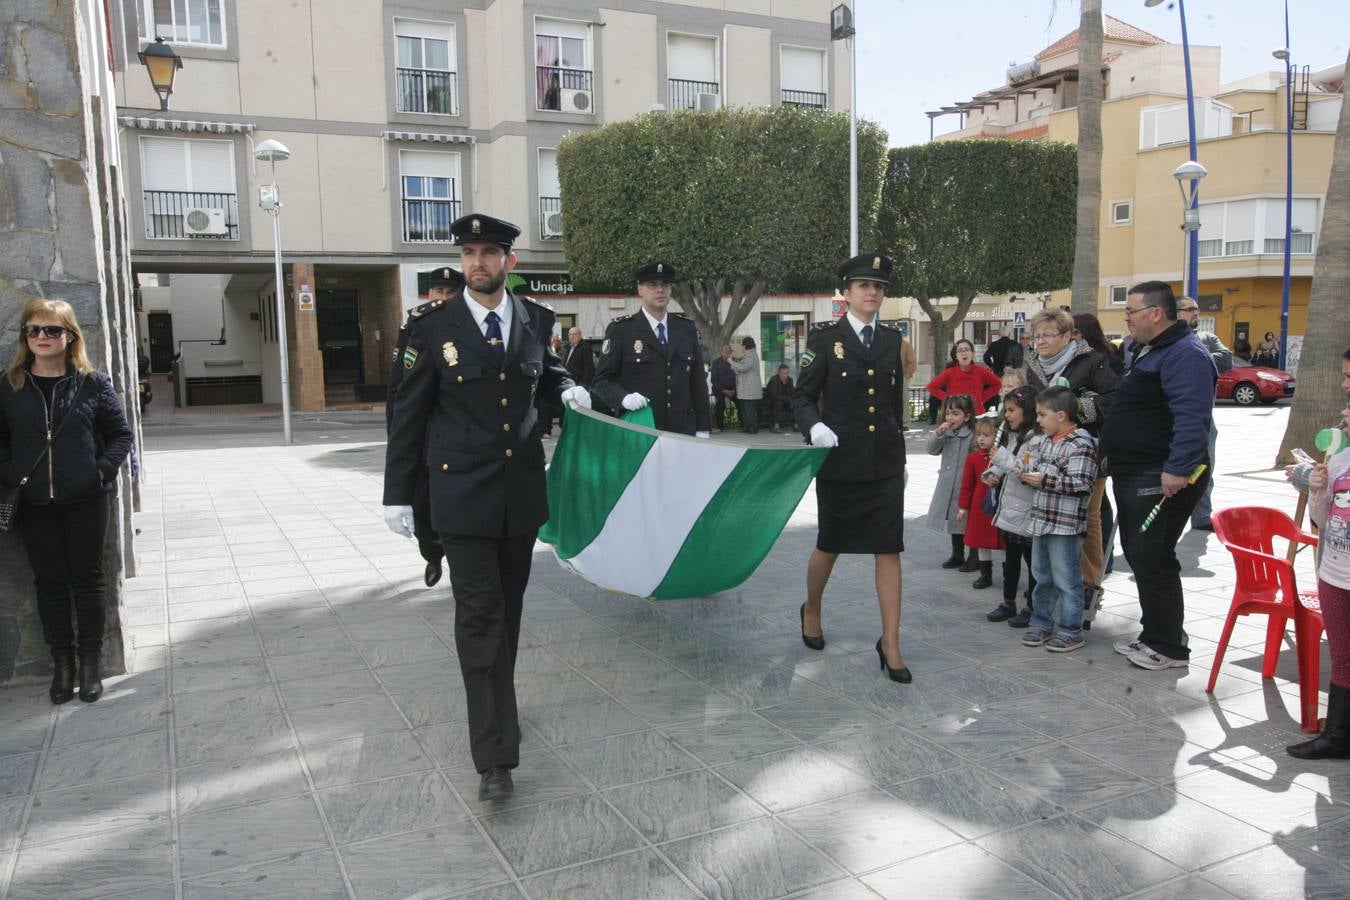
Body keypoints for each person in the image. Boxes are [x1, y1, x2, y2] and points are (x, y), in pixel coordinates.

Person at [382, 213, 589, 801]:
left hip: (519, 496)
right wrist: (398, 492)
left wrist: (564, 385)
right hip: (461, 497)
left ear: (509, 262)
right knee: (480, 618)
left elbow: (540, 372)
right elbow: (408, 413)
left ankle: (503, 708)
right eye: (470, 252)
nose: (478, 262)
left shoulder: (533, 319)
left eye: (490, 252)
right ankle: (493, 757)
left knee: (510, 613)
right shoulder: (431, 326)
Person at [1, 298, 134, 705]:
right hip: (35, 505)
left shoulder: (92, 383)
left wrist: (97, 473)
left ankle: (91, 664)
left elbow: (120, 436)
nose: (42, 337)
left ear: (70, 336)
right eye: (34, 330)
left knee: (89, 581)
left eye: (52, 330)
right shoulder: (10, 385)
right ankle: (63, 666)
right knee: (51, 585)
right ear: (26, 337)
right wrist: (12, 476)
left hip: (85, 501)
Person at [792, 252, 911, 683]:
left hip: (883, 462)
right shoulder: (825, 339)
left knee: (888, 548)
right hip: (841, 460)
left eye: (878, 286)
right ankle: (813, 607)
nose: (872, 292)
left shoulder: (893, 340)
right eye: (864, 285)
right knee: (830, 544)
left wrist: (900, 454)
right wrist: (815, 427)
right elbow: (802, 398)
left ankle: (891, 642)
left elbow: (894, 406)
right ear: (846, 292)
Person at [1100, 281, 1215, 671]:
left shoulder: (1186, 355)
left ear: (1155, 313)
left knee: (1153, 556)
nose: (1126, 319)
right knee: (1140, 553)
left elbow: (1191, 417)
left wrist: (1177, 469)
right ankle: (1154, 635)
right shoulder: (1148, 349)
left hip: (1158, 473)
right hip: (1135, 470)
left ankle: (1169, 647)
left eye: (1131, 312)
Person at [1023, 308, 1118, 621]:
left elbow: (1114, 398)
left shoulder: (1091, 361)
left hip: (1084, 450)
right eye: (1037, 335)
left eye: (1048, 335)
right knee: (1047, 511)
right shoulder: (1033, 364)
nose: (1041, 341)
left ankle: (1089, 582)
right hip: (1046, 450)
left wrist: (1074, 407)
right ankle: (1045, 587)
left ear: (1067, 336)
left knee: (1088, 515)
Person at [1284, 349, 1350, 760]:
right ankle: (1338, 736)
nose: (1345, 385)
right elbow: (1323, 518)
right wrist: (1320, 486)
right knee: (1342, 654)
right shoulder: (1340, 452)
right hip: (1335, 571)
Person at [387, 267, 464, 588]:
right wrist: (396, 432)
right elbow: (398, 386)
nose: (443, 298)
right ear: (429, 294)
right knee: (423, 503)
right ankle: (432, 554)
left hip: (456, 433)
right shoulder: (416, 326)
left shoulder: (467, 327)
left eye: (450, 293)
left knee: (460, 502)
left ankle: (460, 562)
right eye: (438, 292)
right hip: (423, 432)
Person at [1017, 387, 1099, 653]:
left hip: (1065, 525)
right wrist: (1024, 474)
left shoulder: (1080, 443)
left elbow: (1081, 484)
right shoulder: (1043, 440)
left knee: (1066, 579)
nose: (1037, 420)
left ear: (1061, 415)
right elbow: (1034, 468)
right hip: (1041, 519)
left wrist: (1045, 479)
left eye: (1042, 414)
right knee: (1042, 576)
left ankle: (1070, 629)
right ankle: (1041, 623)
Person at [593, 262, 710, 437]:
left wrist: (702, 427)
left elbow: (698, 383)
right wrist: (623, 398)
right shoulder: (621, 330)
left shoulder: (685, 328)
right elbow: (602, 381)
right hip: (640, 430)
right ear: (640, 289)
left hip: (682, 431)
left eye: (665, 285)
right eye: (652, 285)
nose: (660, 290)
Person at [1176, 297, 1233, 531]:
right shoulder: (1165, 342)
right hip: (1173, 416)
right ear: (1176, 312)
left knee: (1205, 470)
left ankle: (1202, 516)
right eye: (1190, 310)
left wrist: (1194, 359)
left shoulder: (1207, 339)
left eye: (1197, 309)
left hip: (1204, 418)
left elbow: (1227, 359)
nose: (1196, 313)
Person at [986, 386, 1040, 623]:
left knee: (1032, 562)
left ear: (1026, 411)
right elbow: (1005, 463)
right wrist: (992, 473)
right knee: (1011, 560)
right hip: (1010, 510)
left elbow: (1025, 471)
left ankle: (1033, 606)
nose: (1006, 415)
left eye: (1011, 410)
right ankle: (1008, 601)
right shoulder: (1016, 436)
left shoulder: (1036, 440)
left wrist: (1001, 459)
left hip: (1026, 512)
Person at [926, 394, 976, 570]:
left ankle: (974, 556)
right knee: (955, 520)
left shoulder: (972, 436)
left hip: (965, 484)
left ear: (967, 416)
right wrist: (938, 433)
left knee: (967, 520)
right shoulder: (945, 433)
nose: (950, 418)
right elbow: (931, 450)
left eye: (955, 414)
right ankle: (957, 554)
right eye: (948, 413)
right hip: (948, 483)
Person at [957, 415, 1004, 589]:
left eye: (987, 435)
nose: (982, 439)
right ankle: (986, 574)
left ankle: (1009, 574)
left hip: (998, 504)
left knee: (1004, 541)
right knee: (982, 541)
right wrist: (963, 507)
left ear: (996, 436)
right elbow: (966, 485)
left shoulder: (1002, 457)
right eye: (979, 435)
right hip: (979, 507)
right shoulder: (972, 458)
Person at [927, 339, 1001, 413]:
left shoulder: (981, 371)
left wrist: (982, 398)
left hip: (976, 414)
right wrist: (948, 399)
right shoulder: (949, 373)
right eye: (960, 351)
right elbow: (931, 386)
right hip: (956, 414)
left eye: (967, 350)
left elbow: (998, 384)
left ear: (972, 353)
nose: (964, 353)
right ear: (956, 356)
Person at [731, 337, 763, 434]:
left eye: (742, 345)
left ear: (745, 346)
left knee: (750, 409)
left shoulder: (750, 356)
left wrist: (731, 362)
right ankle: (746, 426)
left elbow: (744, 367)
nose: (741, 347)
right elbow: (739, 368)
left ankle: (753, 428)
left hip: (749, 388)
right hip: (746, 388)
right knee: (745, 408)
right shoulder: (748, 355)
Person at [709, 345, 736, 433]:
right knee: (720, 403)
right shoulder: (716, 363)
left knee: (741, 400)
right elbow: (714, 380)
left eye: (729, 351)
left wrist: (734, 390)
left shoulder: (734, 362)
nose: (727, 353)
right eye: (726, 351)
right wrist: (723, 390)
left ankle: (745, 424)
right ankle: (719, 426)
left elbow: (738, 378)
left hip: (732, 389)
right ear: (722, 352)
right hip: (719, 389)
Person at [766, 363, 794, 432]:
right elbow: (774, 395)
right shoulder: (773, 380)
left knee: (795, 402)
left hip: (785, 400)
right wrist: (787, 398)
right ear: (779, 373)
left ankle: (796, 424)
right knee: (779, 403)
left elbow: (792, 393)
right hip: (773, 401)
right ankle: (776, 425)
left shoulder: (790, 380)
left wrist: (790, 399)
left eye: (787, 373)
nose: (785, 375)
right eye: (783, 373)